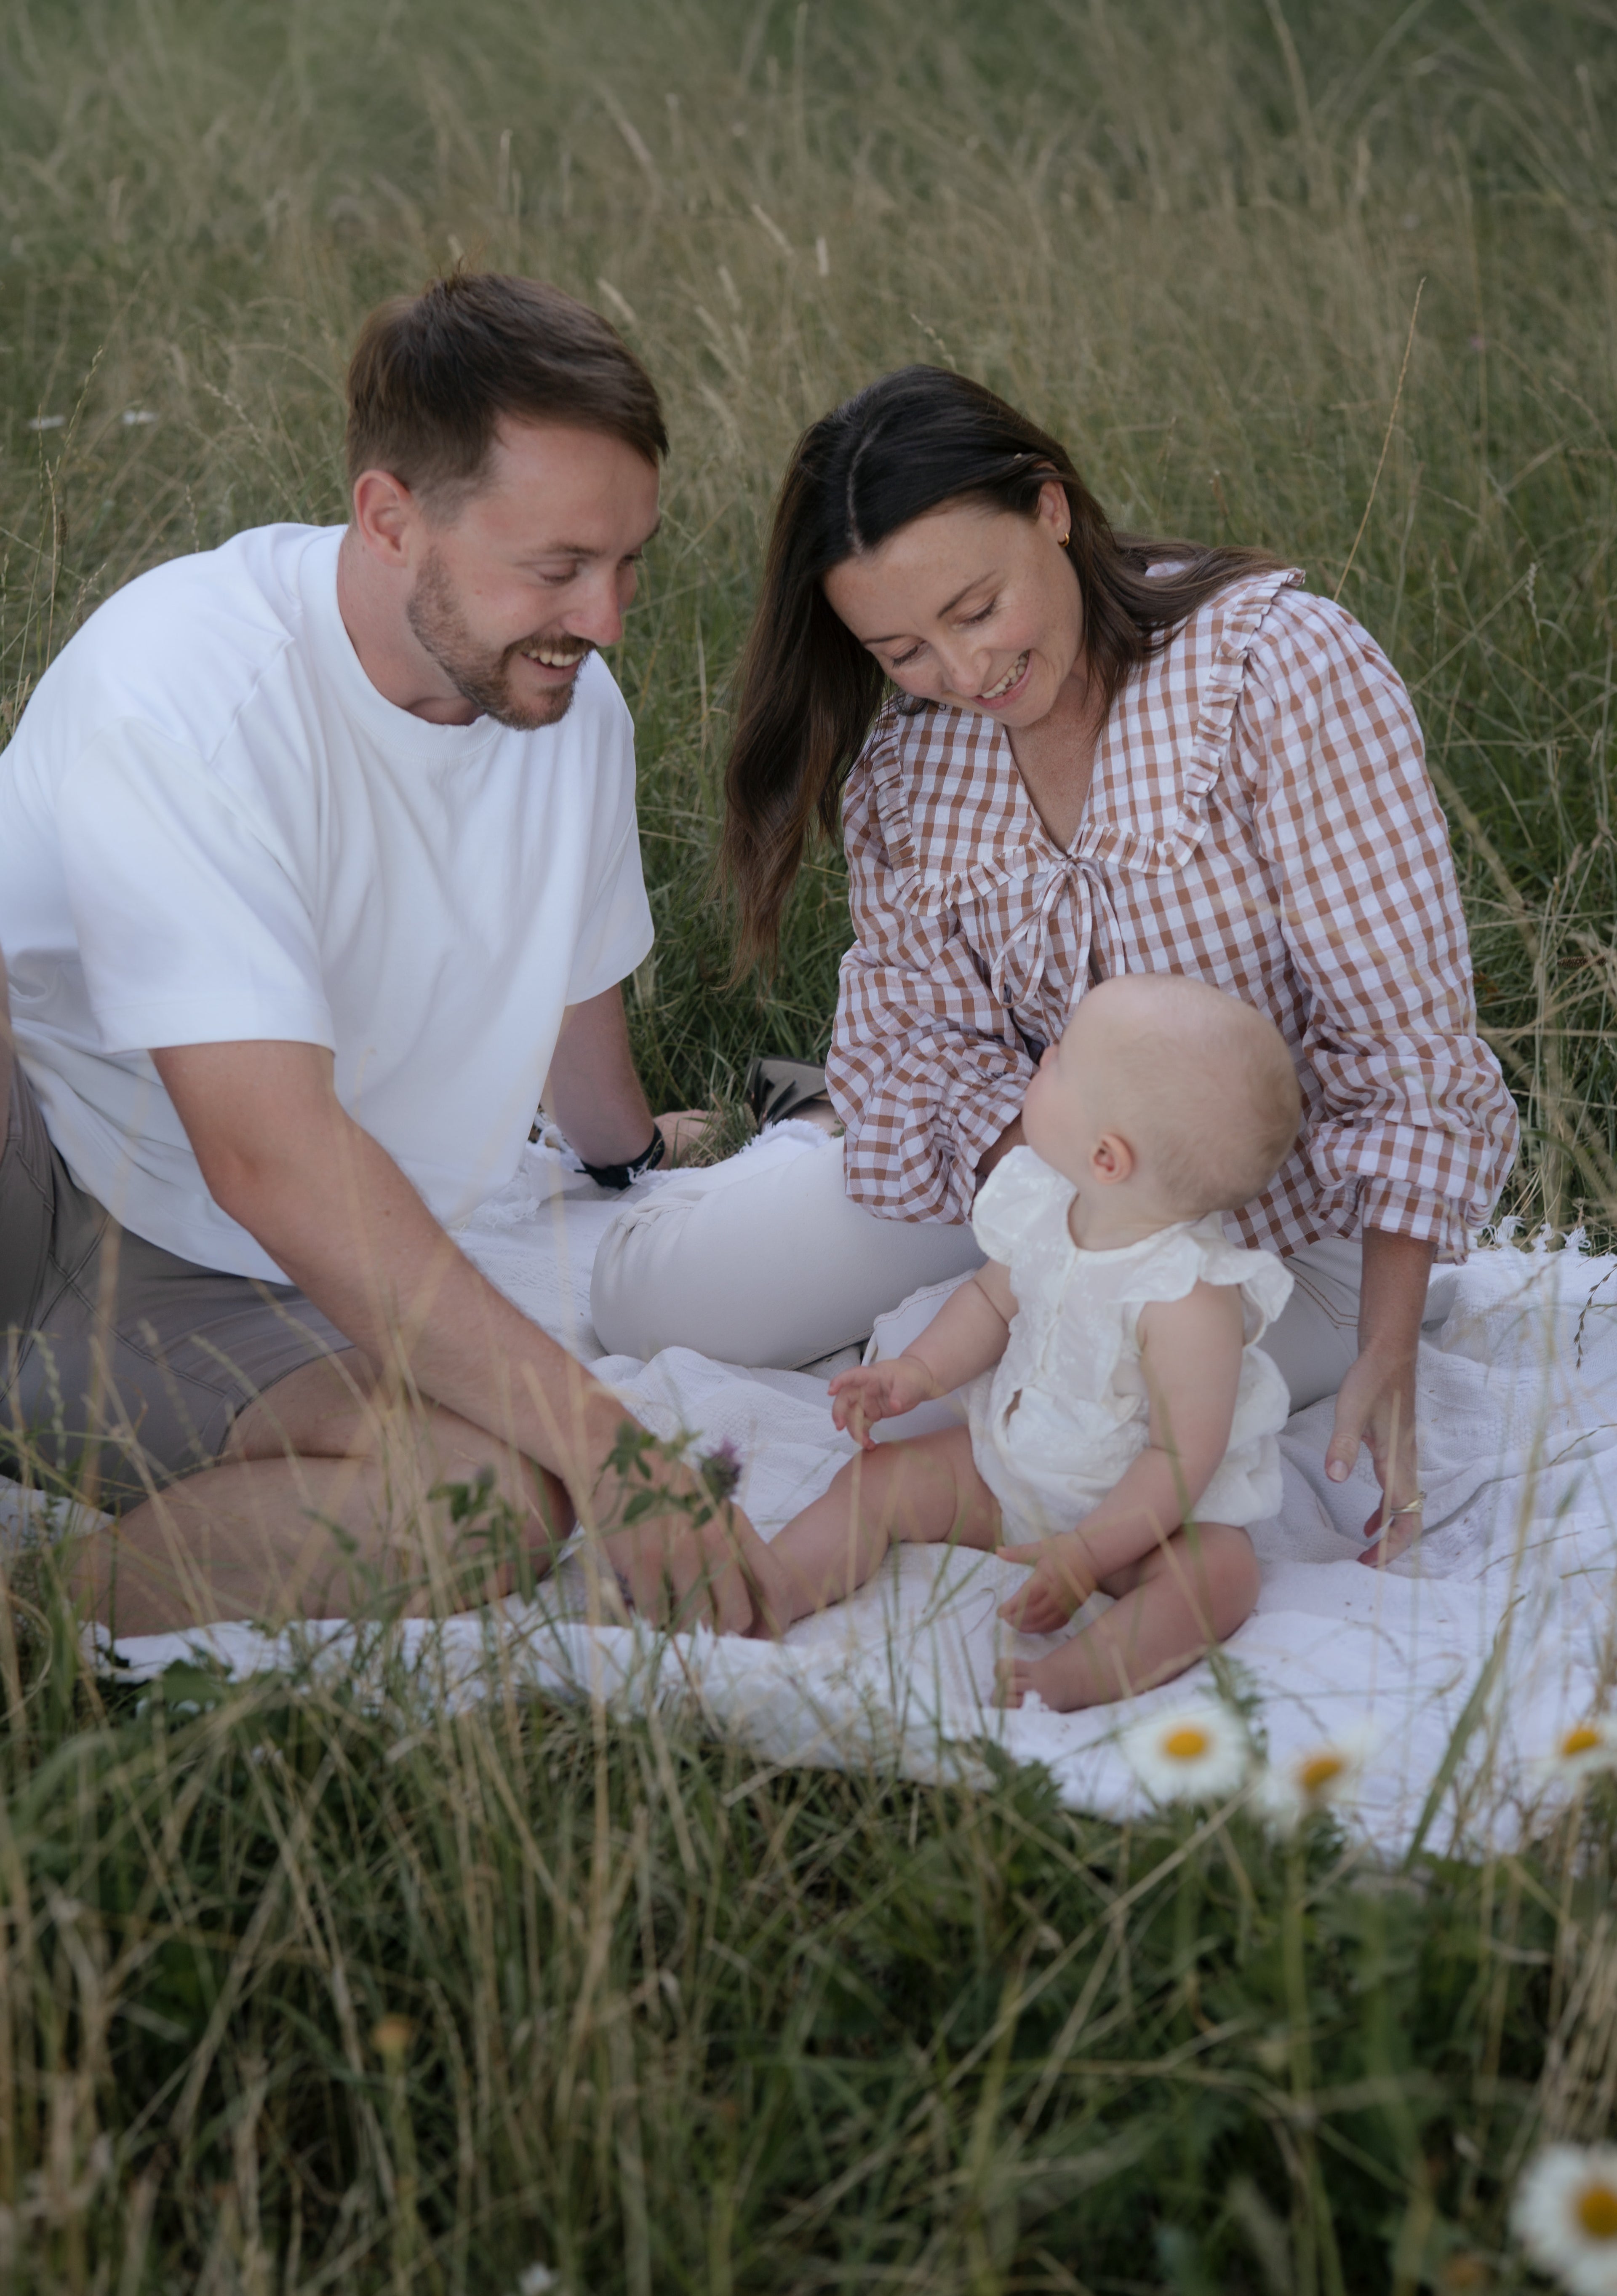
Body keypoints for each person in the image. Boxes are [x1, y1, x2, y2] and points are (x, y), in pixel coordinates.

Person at [591, 366, 1519, 1568]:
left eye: (978, 609)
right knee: (647, 1303)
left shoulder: (1278, 672)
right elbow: (922, 1039)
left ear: (1051, 507)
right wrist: (1053, 1226)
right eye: (902, 649)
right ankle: (809, 1130)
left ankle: (1368, 1302)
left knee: (942, 1405)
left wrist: (1387, 1349)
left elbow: (1405, 1047)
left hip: (1289, 1224)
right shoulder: (914, 764)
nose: (963, 673)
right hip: (1045, 1163)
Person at [0, 272, 766, 1637]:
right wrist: (611, 1443)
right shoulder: (190, 693)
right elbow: (269, 1157)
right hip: (55, 1209)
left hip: (242, 1269)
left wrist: (632, 1155)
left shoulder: (563, 705)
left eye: (627, 563)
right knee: (535, 1473)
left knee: (482, 1506)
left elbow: (574, 1006)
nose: (607, 620)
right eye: (558, 569)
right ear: (391, 518)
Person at [753, 975, 1299, 1709]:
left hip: (1138, 1522)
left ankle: (1074, 1676)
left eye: (1061, 1060)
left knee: (1220, 1578)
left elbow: (1181, 1460)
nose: (1043, 1058)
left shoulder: (1188, 1295)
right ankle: (772, 1588)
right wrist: (916, 1371)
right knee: (876, 1483)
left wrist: (1088, 1552)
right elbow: (988, 1303)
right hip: (1010, 1468)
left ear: (1107, 1157)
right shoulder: (1047, 1200)